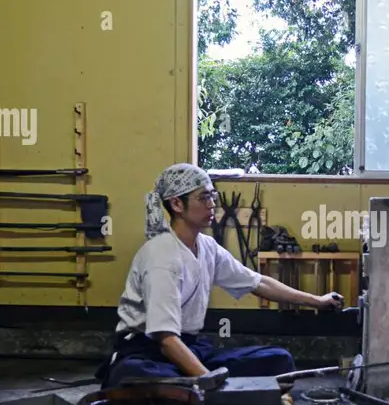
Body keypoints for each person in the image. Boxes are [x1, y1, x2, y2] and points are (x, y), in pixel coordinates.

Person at [95, 163, 343, 388]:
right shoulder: (161, 257)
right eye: (203, 197)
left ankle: (194, 388)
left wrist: (318, 301)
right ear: (177, 204)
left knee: (279, 361)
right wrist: (208, 380)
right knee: (141, 378)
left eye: (212, 196)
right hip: (147, 352)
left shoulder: (208, 247)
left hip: (189, 347)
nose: (212, 204)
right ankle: (190, 390)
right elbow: (165, 339)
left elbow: (258, 282)